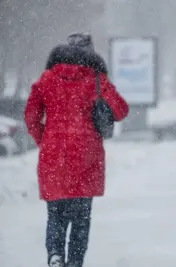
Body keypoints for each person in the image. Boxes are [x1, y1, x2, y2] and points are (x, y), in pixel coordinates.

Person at [24, 34, 129, 267]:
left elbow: (30, 116)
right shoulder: (96, 80)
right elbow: (121, 110)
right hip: (86, 155)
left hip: (53, 156)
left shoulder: (46, 79)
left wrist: (45, 139)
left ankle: (55, 255)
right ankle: (75, 262)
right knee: (81, 219)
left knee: (55, 214)